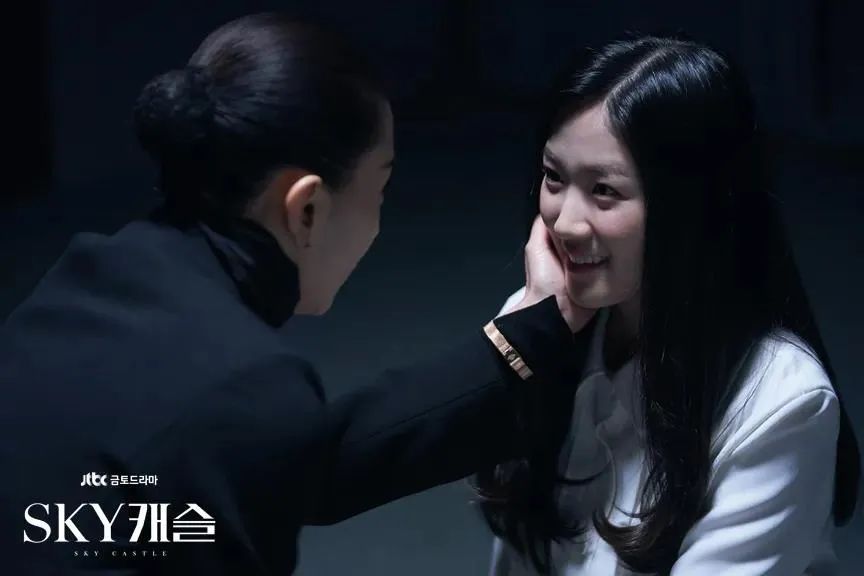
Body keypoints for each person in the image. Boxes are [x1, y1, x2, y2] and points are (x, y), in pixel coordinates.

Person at [0, 13, 595, 575]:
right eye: (380, 187)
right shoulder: (239, 385)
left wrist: (521, 342)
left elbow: (294, 464)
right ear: (306, 208)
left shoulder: (91, 275)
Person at [478, 36, 861, 575]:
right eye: (554, 177)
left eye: (604, 190)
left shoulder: (783, 402)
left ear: (689, 208)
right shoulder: (537, 318)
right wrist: (525, 340)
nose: (564, 223)